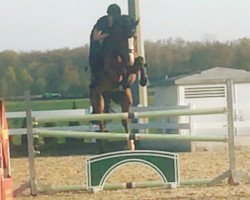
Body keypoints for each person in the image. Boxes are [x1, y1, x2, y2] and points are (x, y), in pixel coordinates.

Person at [89, 4, 122, 88]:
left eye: (116, 17)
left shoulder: (119, 22)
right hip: (98, 42)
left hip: (112, 43)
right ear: (108, 15)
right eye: (113, 16)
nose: (114, 19)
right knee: (96, 54)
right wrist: (108, 35)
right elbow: (95, 37)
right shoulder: (102, 21)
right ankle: (95, 78)